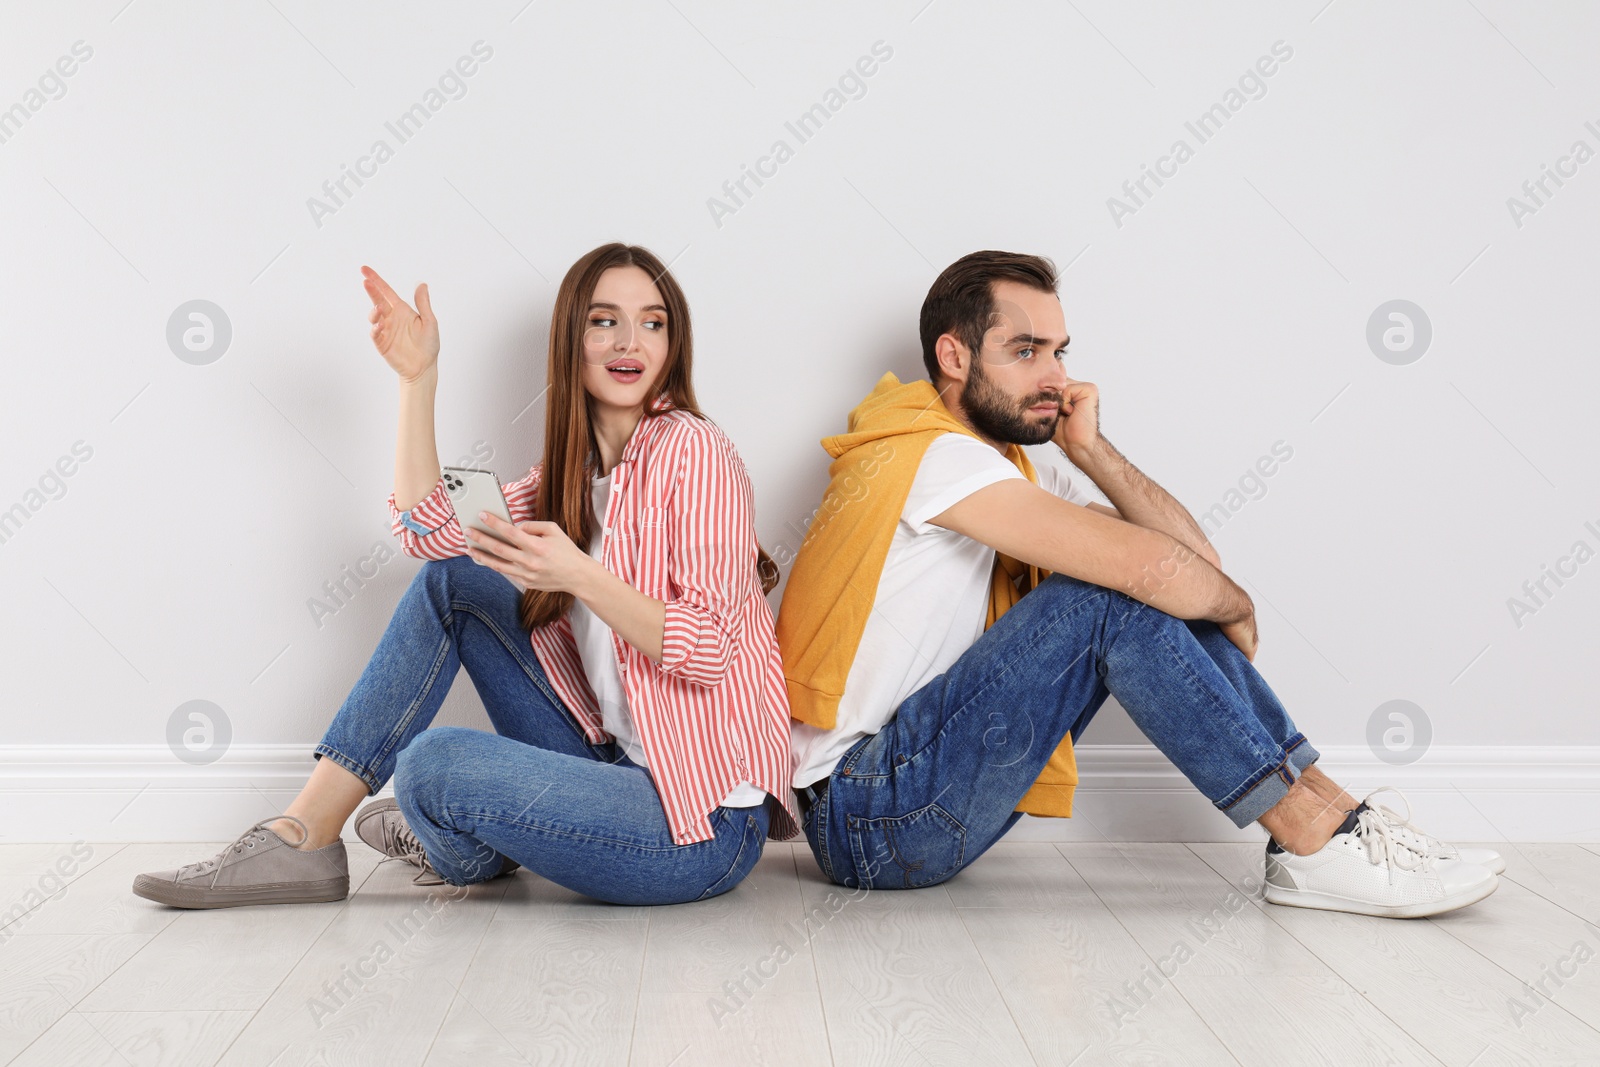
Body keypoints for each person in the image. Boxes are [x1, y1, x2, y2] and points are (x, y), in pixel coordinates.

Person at [776, 249, 1502, 918]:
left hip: (906, 797)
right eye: (1024, 351)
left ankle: (1330, 819)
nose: (1053, 376)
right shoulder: (935, 457)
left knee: (1134, 586)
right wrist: (1233, 603)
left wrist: (1091, 451)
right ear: (954, 356)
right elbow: (1152, 572)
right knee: (1109, 595)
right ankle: (1310, 836)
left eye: (1059, 352)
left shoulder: (1009, 464)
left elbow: (1193, 562)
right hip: (865, 814)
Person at [134, 242, 799, 909]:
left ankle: (467, 834)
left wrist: (579, 572)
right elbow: (425, 530)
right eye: (604, 320)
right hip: (612, 764)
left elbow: (711, 649)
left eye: (653, 322)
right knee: (454, 583)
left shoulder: (695, 449)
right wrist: (417, 380)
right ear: (573, 337)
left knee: (431, 765)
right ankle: (304, 836)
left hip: (697, 822)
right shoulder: (563, 480)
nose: (630, 341)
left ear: (673, 342)